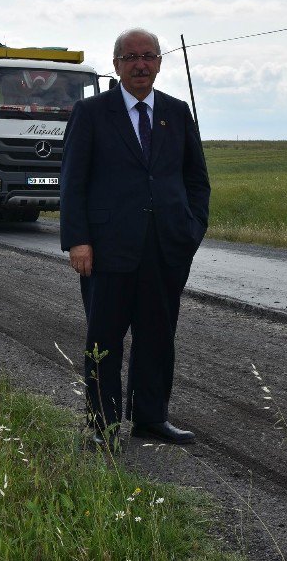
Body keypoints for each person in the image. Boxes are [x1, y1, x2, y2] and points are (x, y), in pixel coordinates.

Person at [60, 28, 211, 450]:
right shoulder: (90, 112)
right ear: (116, 65)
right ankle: (102, 427)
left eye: (148, 56)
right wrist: (78, 240)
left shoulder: (177, 113)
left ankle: (150, 419)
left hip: (166, 248)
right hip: (107, 251)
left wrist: (191, 229)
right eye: (131, 57)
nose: (140, 64)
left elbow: (197, 181)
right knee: (103, 339)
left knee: (158, 336)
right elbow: (72, 182)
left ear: (160, 63)